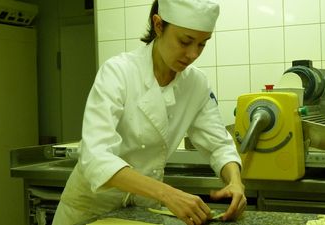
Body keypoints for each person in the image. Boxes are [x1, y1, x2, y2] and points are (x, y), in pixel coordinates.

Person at [52, 0, 246, 224]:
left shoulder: (196, 83)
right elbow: (95, 156)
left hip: (143, 208)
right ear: (158, 25)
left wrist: (235, 181)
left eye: (202, 44)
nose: (193, 54)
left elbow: (218, 145)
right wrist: (167, 193)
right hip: (90, 207)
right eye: (185, 41)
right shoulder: (118, 72)